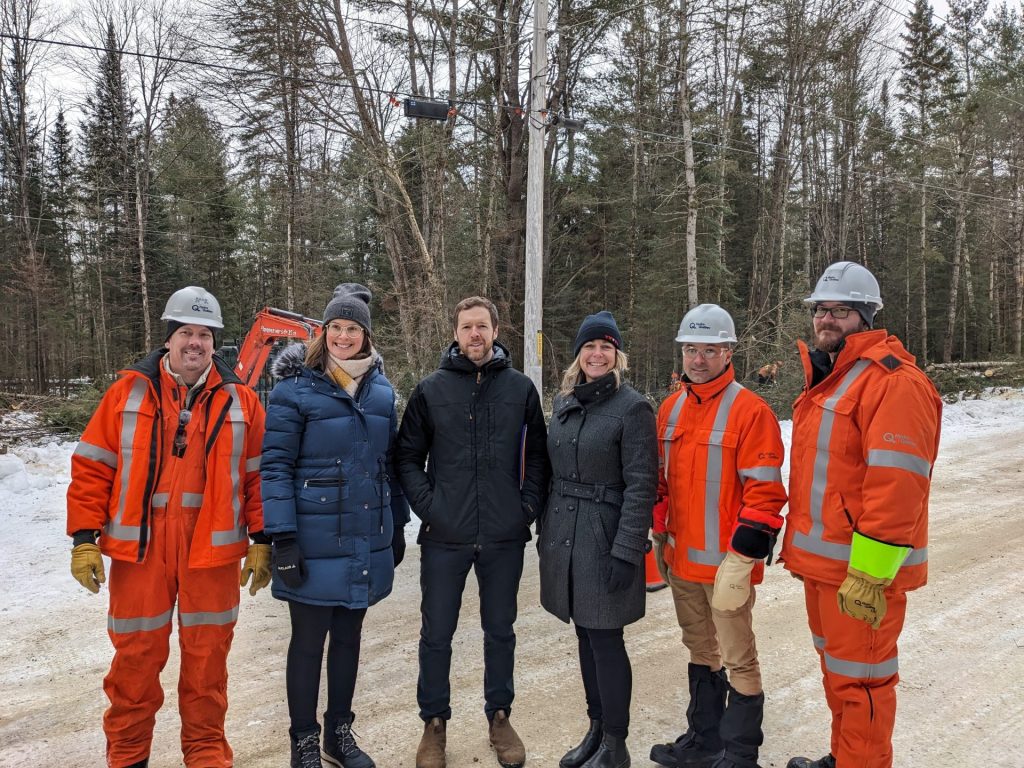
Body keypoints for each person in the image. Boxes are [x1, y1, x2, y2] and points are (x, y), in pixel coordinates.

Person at [67, 286, 270, 768]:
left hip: (211, 554)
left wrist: (263, 539)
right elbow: (93, 466)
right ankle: (128, 758)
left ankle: (205, 757)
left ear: (214, 341)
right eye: (185, 333)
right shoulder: (127, 393)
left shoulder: (241, 400)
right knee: (134, 663)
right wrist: (83, 538)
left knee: (207, 667)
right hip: (142, 551)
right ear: (168, 339)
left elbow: (259, 476)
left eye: (203, 334)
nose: (195, 342)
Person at [780, 262, 941, 768]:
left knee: (863, 686)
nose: (827, 319)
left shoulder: (894, 383)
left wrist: (870, 576)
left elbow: (897, 487)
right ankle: (844, 757)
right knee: (839, 674)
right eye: (821, 310)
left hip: (862, 576)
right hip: (824, 571)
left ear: (866, 317)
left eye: (841, 311)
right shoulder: (830, 380)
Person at [260, 284, 410, 768]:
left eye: (353, 328)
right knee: (307, 643)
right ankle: (303, 739)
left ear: (366, 336)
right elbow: (276, 467)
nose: (344, 336)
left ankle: (338, 734)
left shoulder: (382, 391)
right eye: (336, 327)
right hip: (310, 537)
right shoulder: (294, 389)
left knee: (349, 639)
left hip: (366, 536)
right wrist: (281, 537)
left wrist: (398, 524)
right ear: (323, 333)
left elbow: (390, 463)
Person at [396, 296, 549, 768]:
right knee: (436, 633)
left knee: (500, 631)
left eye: (482, 326)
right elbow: (406, 457)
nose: (475, 335)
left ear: (496, 331)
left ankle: (500, 716)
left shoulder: (521, 389)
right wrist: (431, 508)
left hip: (503, 535)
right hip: (446, 536)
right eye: (466, 327)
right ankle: (434, 724)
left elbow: (540, 457)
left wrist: (524, 508)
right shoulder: (431, 390)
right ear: (456, 333)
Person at [648, 304, 788, 768]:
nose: (699, 359)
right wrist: (659, 534)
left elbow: (766, 494)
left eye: (710, 350)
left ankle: (741, 754)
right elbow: (661, 484)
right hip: (682, 560)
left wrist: (743, 560)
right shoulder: (670, 409)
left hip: (727, 566)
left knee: (738, 658)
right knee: (699, 649)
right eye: (692, 349)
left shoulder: (751, 411)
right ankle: (704, 739)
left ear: (729, 353)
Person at [539, 311, 658, 768]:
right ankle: (595, 729)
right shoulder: (566, 401)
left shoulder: (633, 408)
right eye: (590, 346)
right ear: (578, 354)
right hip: (565, 537)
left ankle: (616, 742)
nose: (597, 354)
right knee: (586, 638)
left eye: (606, 347)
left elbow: (642, 485)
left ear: (617, 355)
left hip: (605, 537)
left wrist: (627, 551)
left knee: (606, 640)